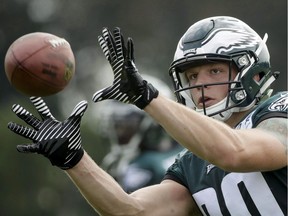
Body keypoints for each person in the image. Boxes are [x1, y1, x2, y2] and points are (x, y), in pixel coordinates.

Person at [8, 16, 287, 216]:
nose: (200, 85)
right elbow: (132, 210)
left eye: (214, 71)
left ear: (256, 73)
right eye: (191, 75)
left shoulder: (278, 112)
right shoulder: (191, 163)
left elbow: (234, 152)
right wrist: (73, 160)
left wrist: (147, 97)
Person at [98, 75, 183, 192]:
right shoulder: (120, 163)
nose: (120, 132)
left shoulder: (147, 165)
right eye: (117, 126)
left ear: (155, 122)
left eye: (128, 125)